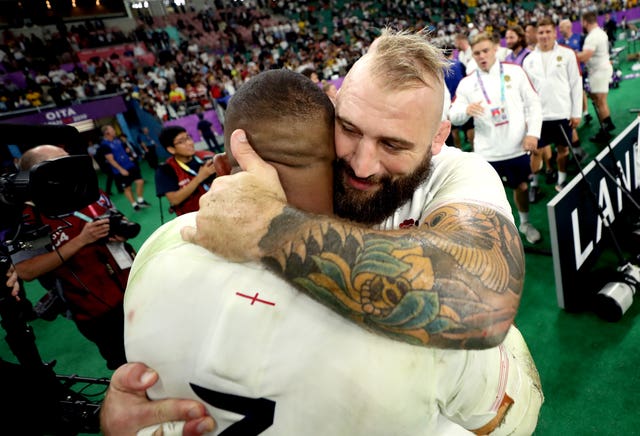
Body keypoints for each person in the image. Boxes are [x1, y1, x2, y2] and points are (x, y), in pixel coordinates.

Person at [103, 28, 530, 432]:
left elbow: (481, 296)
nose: (362, 165)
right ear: (333, 106)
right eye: (349, 129)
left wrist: (269, 227)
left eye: (393, 144)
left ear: (438, 137)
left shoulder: (458, 173)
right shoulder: (296, 165)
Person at [12, 145, 136, 369]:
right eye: (58, 163)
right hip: (96, 310)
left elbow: (119, 216)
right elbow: (26, 269)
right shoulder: (32, 219)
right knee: (127, 364)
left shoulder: (90, 192)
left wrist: (117, 232)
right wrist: (81, 240)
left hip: (135, 286)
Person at [450, 31, 542, 245]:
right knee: (490, 196)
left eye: (485, 51)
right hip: (487, 152)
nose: (482, 56)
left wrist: (533, 133)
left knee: (521, 188)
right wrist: (466, 111)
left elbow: (533, 104)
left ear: (496, 50)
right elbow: (453, 116)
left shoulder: (515, 72)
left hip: (516, 146)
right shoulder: (467, 83)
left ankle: (525, 223)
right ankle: (496, 233)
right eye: (477, 53)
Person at [523, 18, 583, 196]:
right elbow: (526, 93)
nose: (544, 36)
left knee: (563, 150)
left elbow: (576, 84)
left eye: (548, 31)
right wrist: (528, 118)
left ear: (554, 33)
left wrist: (576, 113)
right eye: (541, 32)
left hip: (562, 113)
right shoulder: (528, 60)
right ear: (536, 35)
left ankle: (562, 181)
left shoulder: (567, 54)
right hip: (538, 117)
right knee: (535, 153)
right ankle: (534, 183)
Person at [156, 125, 217, 216]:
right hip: (194, 219)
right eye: (181, 141)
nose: (189, 143)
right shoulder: (166, 170)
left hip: (219, 209)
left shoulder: (207, 156)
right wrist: (200, 177)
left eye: (188, 137)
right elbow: (174, 199)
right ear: (171, 149)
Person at [578, 11, 616, 143]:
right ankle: (607, 124)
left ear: (585, 22)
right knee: (599, 100)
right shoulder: (600, 32)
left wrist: (571, 55)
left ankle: (605, 129)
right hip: (602, 69)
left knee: (600, 102)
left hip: (598, 72)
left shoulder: (592, 36)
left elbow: (585, 56)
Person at [99, 124, 151, 211]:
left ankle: (140, 200)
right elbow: (111, 160)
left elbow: (125, 151)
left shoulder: (117, 141)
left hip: (130, 165)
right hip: (120, 170)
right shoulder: (104, 145)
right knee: (128, 188)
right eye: (112, 130)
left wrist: (129, 156)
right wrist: (121, 169)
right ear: (107, 133)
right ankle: (134, 205)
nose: (114, 131)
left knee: (140, 181)